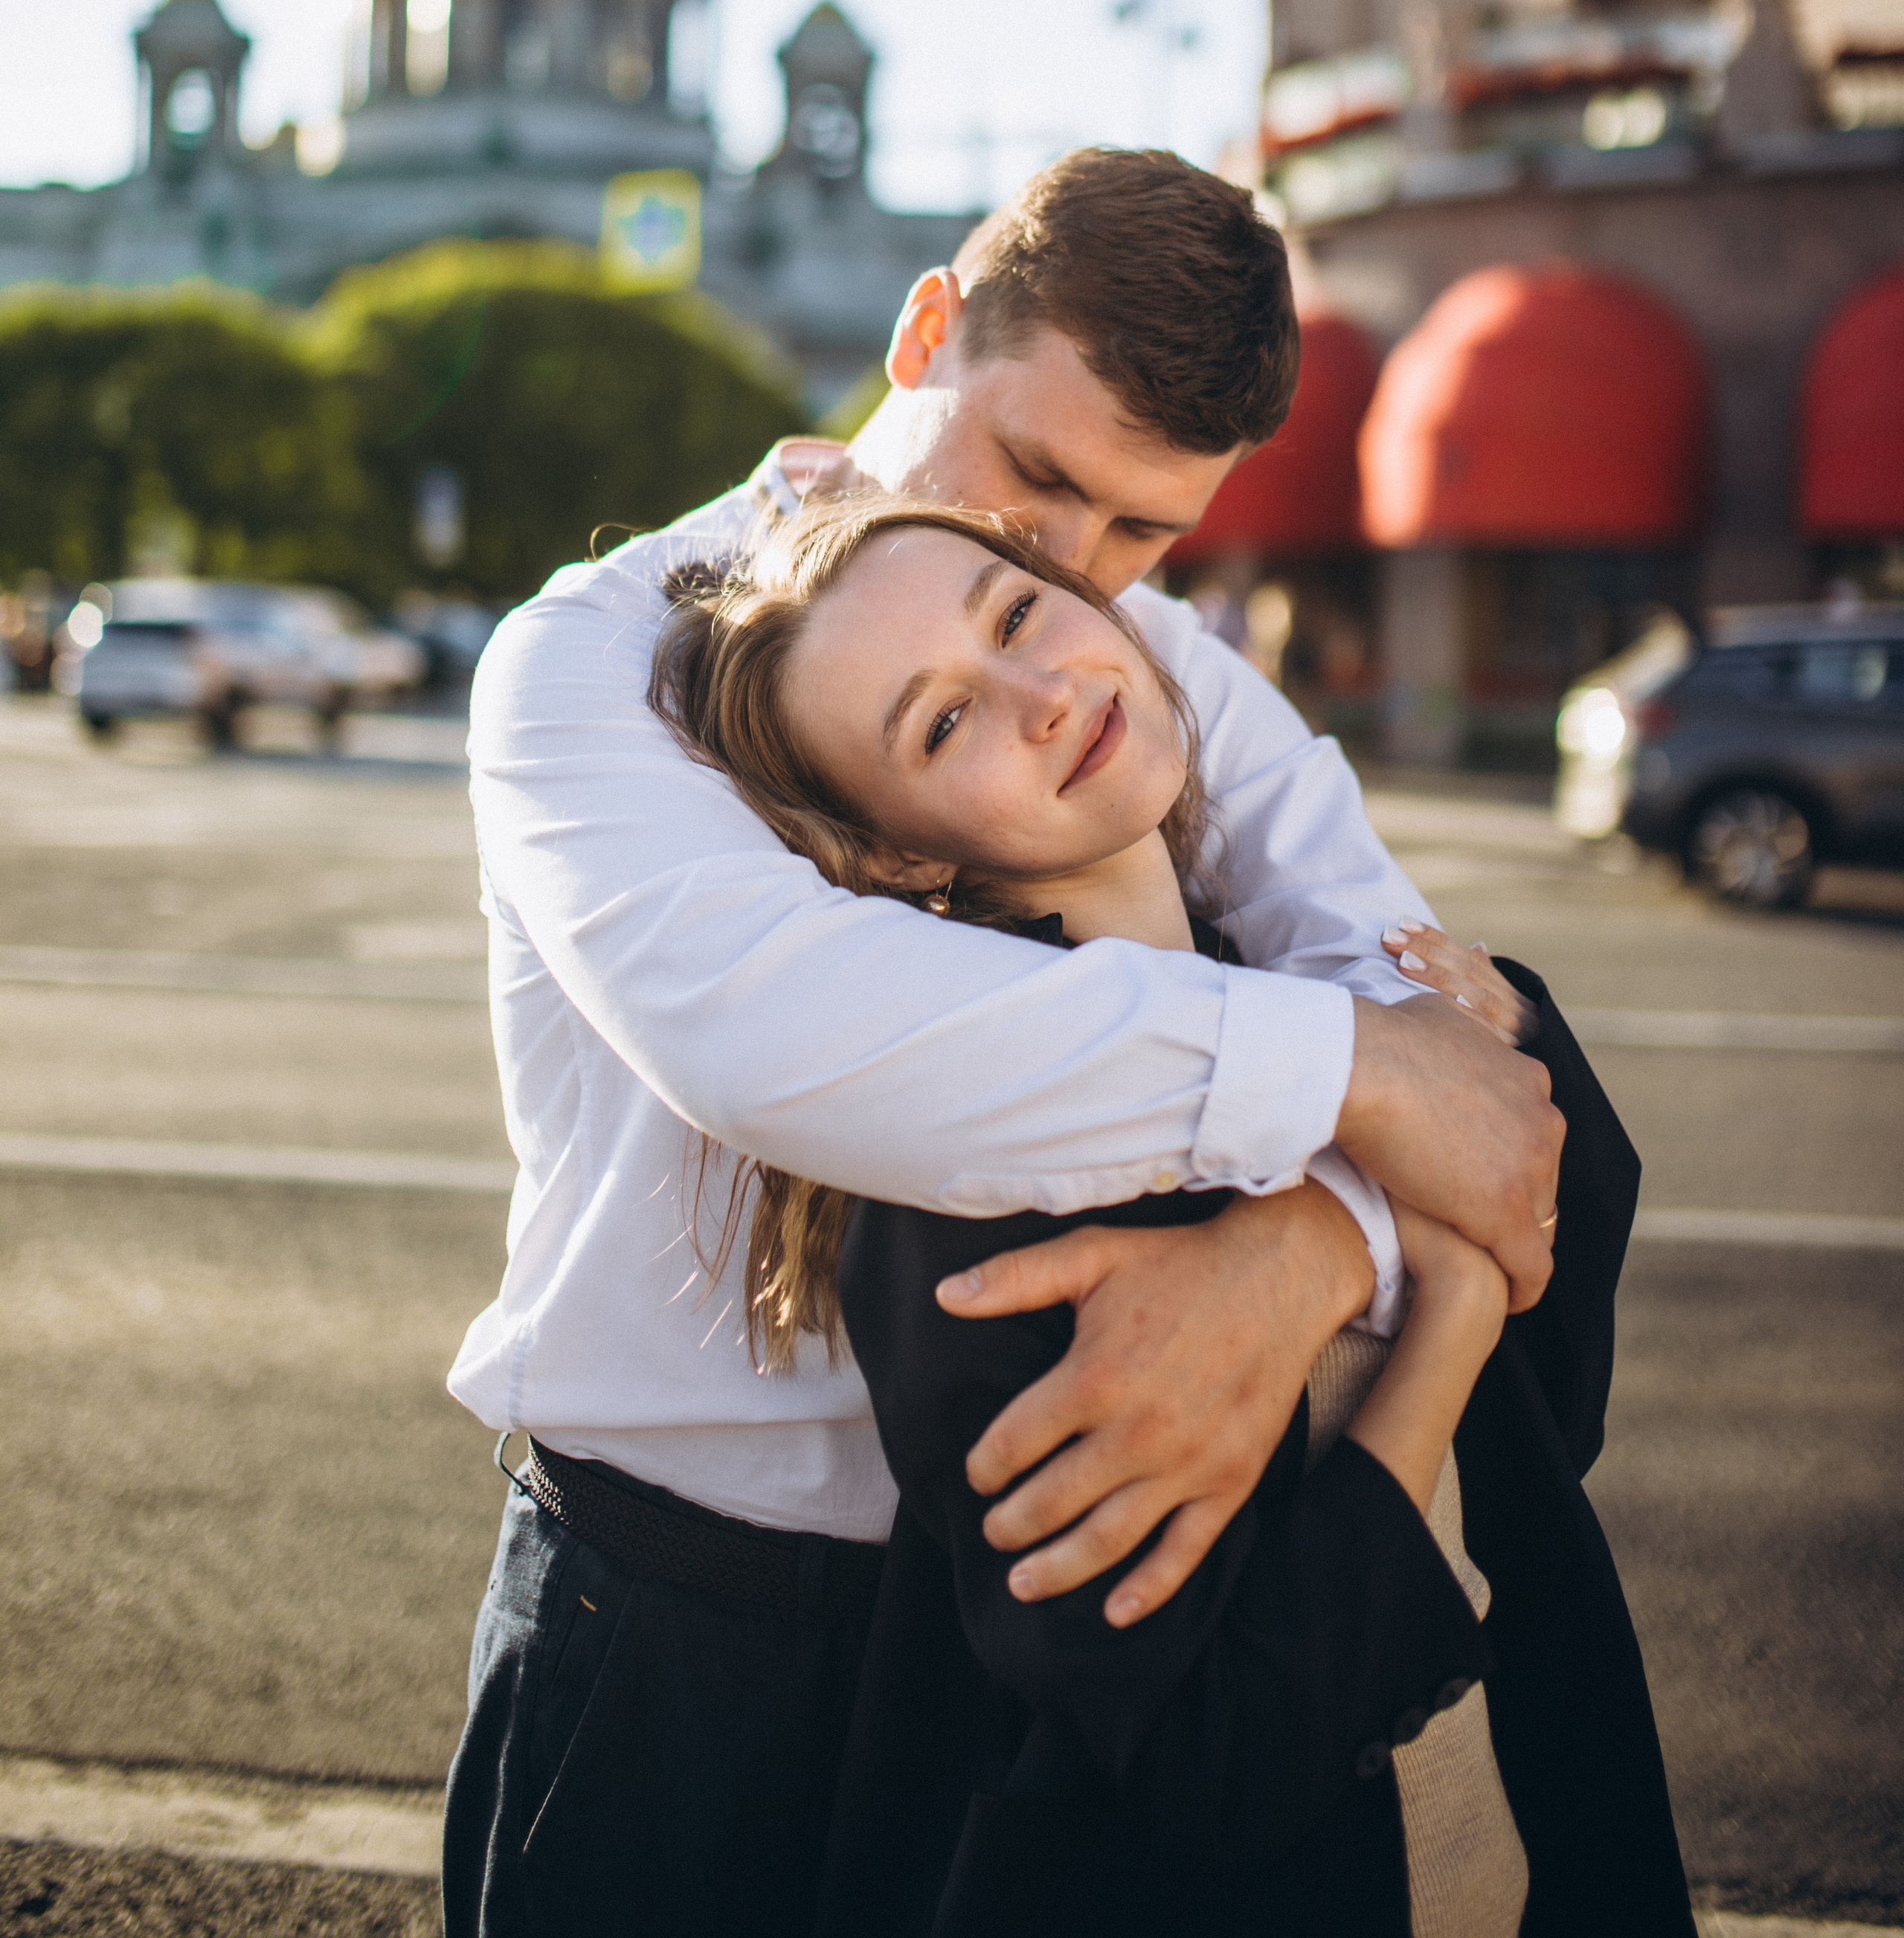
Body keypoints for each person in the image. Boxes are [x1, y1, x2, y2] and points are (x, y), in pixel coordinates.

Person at [442, 149, 1563, 1937]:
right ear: (924, 332)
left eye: (1142, 532)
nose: (1071, 565)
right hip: (667, 1624)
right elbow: (786, 1036)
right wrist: (1354, 1089)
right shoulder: (591, 660)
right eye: (1037, 476)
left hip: (1020, 1640)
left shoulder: (1142, 654)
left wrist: (1305, 1247)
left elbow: (1437, 1023)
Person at [649, 495, 1693, 1937]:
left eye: (1016, 616)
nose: (1038, 696)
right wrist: (1442, 1308)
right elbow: (1220, 1762)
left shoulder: (1336, 1003)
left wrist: (1479, 1076)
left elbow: (1548, 1431)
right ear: (893, 857)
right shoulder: (961, 1198)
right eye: (939, 725)